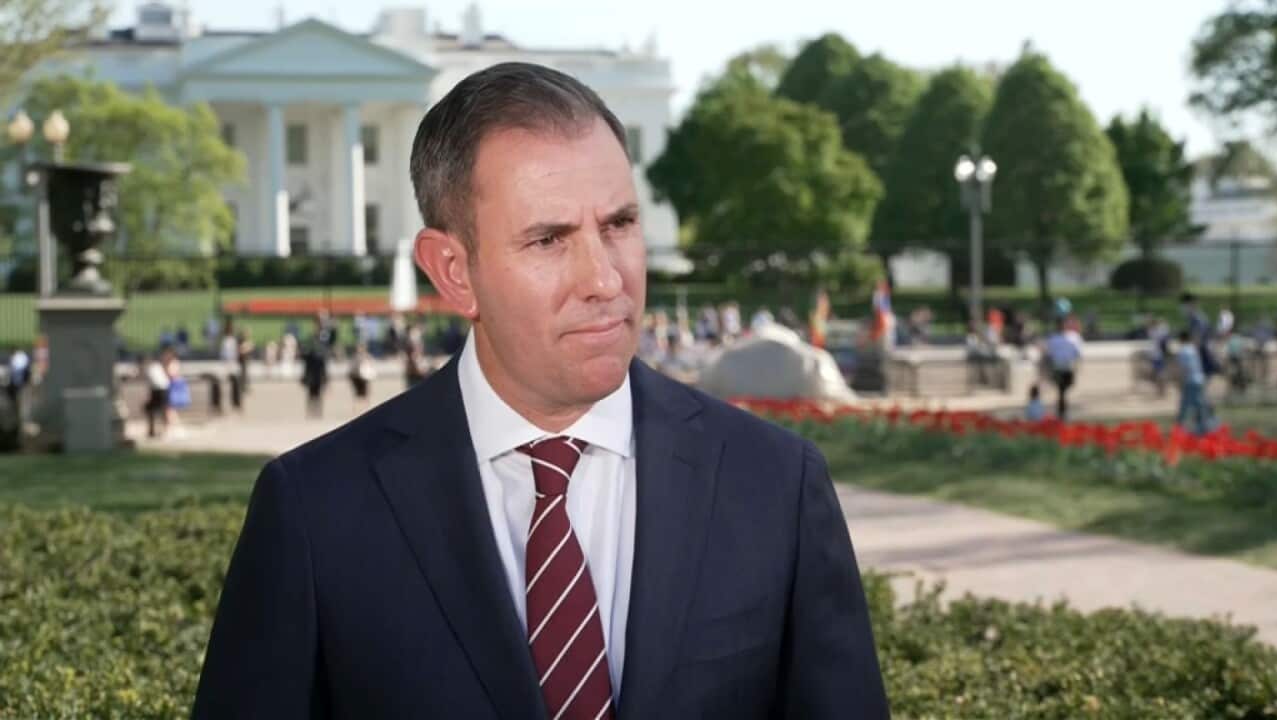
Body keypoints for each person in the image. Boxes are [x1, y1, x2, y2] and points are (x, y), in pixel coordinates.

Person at [193, 62, 888, 719]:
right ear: (453, 271)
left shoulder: (774, 485)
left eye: (619, 225)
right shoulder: (316, 510)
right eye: (549, 240)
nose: (605, 279)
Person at [1176, 329, 1215, 435]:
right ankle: (1202, 425)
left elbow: (1185, 368)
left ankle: (1203, 426)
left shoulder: (1183, 351)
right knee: (1195, 403)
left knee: (1191, 403)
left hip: (1190, 380)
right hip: (1199, 378)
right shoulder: (1193, 349)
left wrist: (1180, 380)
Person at [1044, 318, 1082, 420]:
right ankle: (1062, 411)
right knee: (1062, 391)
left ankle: (1061, 410)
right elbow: (1077, 354)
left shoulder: (1054, 339)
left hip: (1059, 368)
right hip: (1066, 368)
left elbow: (1049, 354)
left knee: (1061, 391)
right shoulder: (1073, 338)